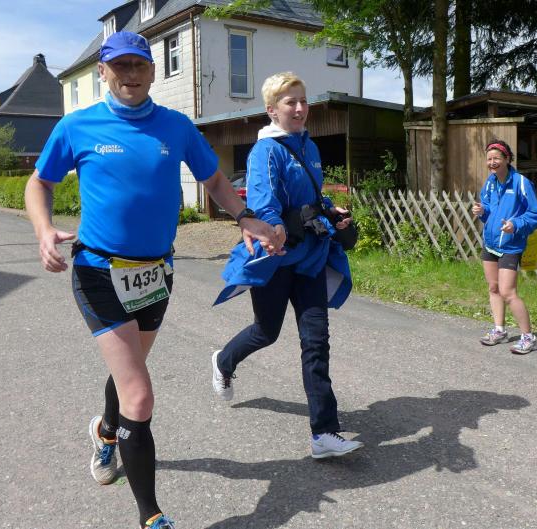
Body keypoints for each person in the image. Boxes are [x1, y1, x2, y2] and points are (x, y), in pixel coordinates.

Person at [23, 31, 283, 529]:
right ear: (103, 72)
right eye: (120, 66)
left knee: (130, 373)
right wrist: (42, 229)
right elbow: (41, 182)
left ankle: (105, 432)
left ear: (153, 71)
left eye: (139, 65)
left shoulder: (176, 126)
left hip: (155, 273)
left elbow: (213, 179)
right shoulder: (77, 126)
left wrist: (245, 216)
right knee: (139, 394)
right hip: (99, 271)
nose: (131, 74)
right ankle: (151, 516)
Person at [211, 72, 364, 460]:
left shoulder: (309, 146)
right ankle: (224, 361)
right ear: (272, 110)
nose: (299, 108)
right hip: (277, 259)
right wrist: (272, 228)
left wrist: (330, 211)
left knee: (316, 341)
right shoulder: (266, 151)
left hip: (310, 259)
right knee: (266, 331)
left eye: (303, 101)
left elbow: (311, 196)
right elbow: (263, 200)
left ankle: (323, 432)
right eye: (290, 102)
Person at [471, 139, 537, 354]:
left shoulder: (521, 183)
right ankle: (499, 330)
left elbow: (535, 214)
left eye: (496, 158)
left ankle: (528, 338)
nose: (492, 162)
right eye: (489, 159)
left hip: (511, 245)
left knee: (508, 292)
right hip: (491, 243)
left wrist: (515, 225)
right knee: (493, 288)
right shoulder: (490, 183)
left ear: (507, 159)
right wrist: (482, 211)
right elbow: (489, 211)